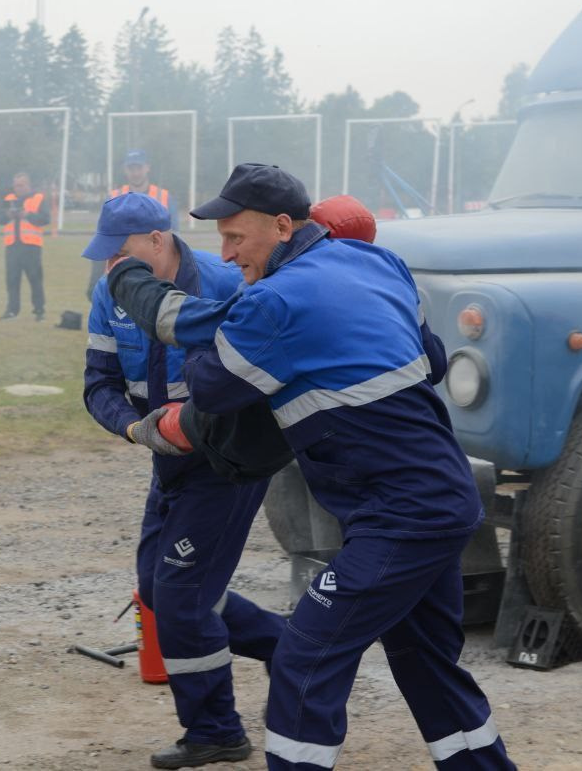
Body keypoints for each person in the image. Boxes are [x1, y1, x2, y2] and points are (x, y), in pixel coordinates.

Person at [108, 164, 514, 770]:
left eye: (237, 238)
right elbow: (430, 358)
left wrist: (175, 358)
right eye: (219, 239)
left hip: (401, 515)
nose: (227, 253)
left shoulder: (275, 301)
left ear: (281, 225)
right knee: (425, 661)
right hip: (443, 498)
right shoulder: (380, 264)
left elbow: (212, 388)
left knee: (305, 654)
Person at [83, 192, 285, 769]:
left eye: (119, 254)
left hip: (225, 463)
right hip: (165, 460)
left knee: (181, 594)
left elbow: (260, 378)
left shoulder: (227, 284)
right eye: (104, 257)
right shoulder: (109, 295)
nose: (110, 268)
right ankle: (286, 645)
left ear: (156, 241)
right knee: (157, 589)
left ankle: (216, 730)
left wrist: (198, 427)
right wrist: (133, 430)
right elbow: (98, 384)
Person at [88, 149, 177, 297]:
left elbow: (174, 238)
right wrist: (95, 280)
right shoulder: (114, 197)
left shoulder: (164, 197)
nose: (135, 172)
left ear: (147, 167)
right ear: (125, 169)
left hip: (157, 273)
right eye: (131, 168)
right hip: (121, 273)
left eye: (139, 168)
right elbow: (104, 238)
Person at [0, 171, 48, 321]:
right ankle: (12, 310)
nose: (18, 188)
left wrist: (28, 215)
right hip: (12, 246)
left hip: (31, 246)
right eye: (16, 185)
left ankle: (39, 310)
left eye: (21, 185)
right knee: (12, 279)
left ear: (29, 185)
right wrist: (7, 215)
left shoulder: (39, 198)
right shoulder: (8, 199)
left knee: (35, 279)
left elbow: (45, 219)